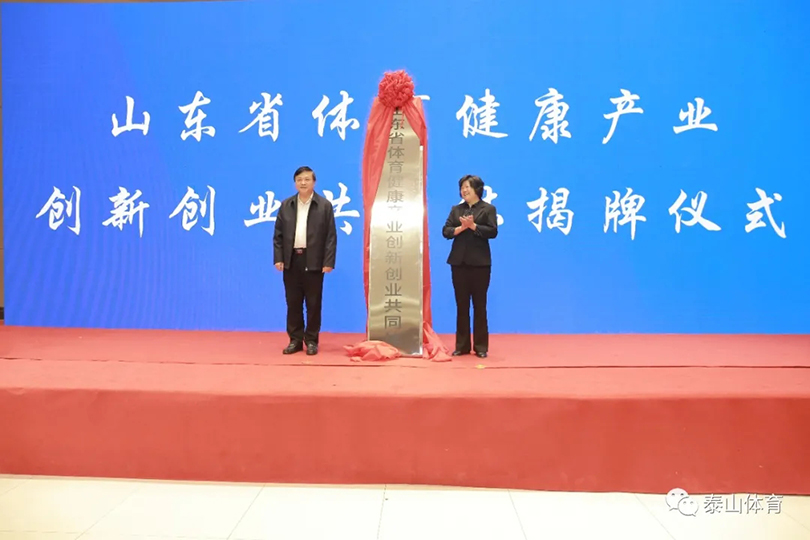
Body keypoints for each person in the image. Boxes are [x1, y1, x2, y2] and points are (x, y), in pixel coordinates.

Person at [273, 166, 337, 355]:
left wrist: (328, 261)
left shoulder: (324, 206)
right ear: (295, 183)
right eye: (299, 179)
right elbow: (278, 235)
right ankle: (295, 340)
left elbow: (331, 236)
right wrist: (279, 258)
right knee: (293, 303)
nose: (303, 183)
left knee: (313, 304)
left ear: (314, 182)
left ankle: (311, 340)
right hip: (292, 260)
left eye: (307, 179)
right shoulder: (286, 205)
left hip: (314, 260)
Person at [442, 175, 498, 358]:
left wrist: (473, 226)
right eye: (462, 187)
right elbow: (446, 231)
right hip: (459, 263)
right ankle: (462, 346)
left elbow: (493, 231)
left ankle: (481, 347)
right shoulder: (456, 210)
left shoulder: (488, 209)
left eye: (467, 187)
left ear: (477, 189)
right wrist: (461, 228)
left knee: (480, 306)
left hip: (480, 264)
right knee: (462, 305)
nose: (464, 190)